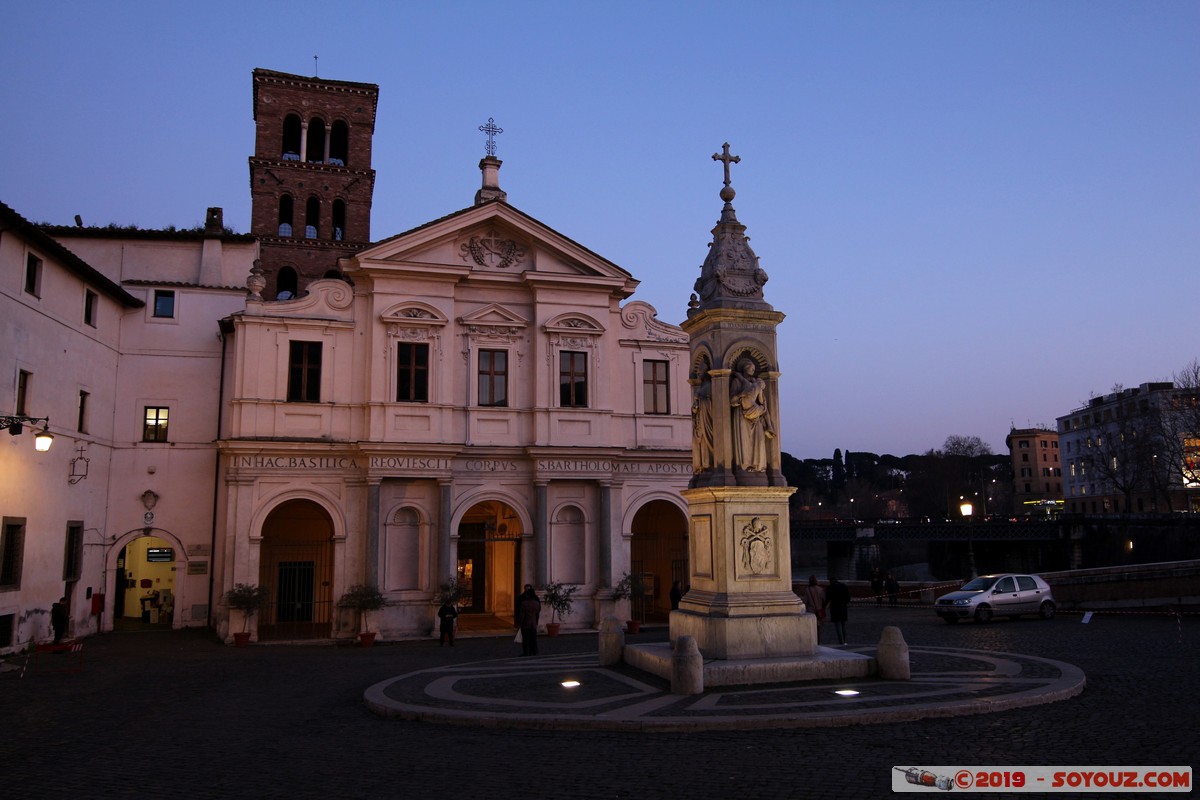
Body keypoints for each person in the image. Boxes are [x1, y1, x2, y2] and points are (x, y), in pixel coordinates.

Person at [728, 358, 775, 472]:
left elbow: (763, 402)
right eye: (751, 368)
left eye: (754, 368)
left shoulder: (757, 384)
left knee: (758, 441)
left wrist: (761, 411)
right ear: (744, 368)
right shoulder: (736, 382)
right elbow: (731, 400)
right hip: (741, 415)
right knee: (744, 440)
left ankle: (758, 466)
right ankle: (744, 466)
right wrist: (741, 395)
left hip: (756, 415)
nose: (753, 370)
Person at [515, 584, 541, 656]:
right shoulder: (537, 603)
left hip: (526, 624)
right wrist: (536, 622)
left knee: (526, 639)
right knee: (533, 639)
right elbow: (537, 613)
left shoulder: (524, 604)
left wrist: (519, 624)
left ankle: (526, 652)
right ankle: (534, 651)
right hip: (533, 623)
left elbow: (521, 615)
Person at [825, 576, 851, 646]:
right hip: (843, 608)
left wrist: (823, 607)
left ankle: (841, 641)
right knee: (843, 625)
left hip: (835, 608)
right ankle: (844, 640)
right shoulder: (843, 586)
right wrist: (844, 603)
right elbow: (848, 598)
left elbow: (827, 599)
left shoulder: (830, 588)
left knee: (838, 625)